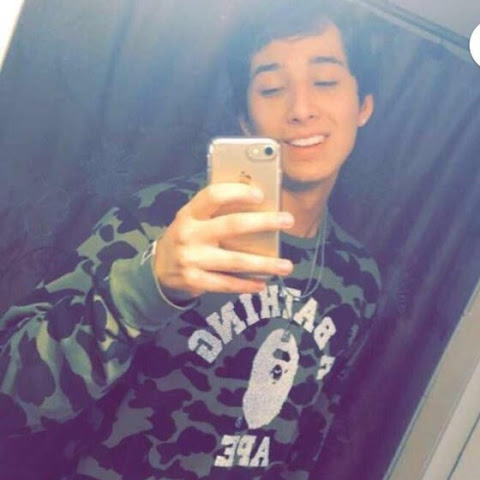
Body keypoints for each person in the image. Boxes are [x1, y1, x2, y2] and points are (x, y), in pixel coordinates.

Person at [0, 0, 381, 478]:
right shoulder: (161, 219)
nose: (301, 109)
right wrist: (146, 288)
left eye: (325, 81)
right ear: (245, 121)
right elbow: (10, 396)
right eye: (271, 87)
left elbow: (306, 435)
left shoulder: (358, 278)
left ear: (363, 105)